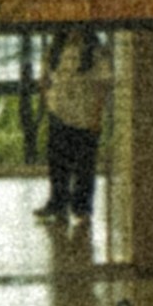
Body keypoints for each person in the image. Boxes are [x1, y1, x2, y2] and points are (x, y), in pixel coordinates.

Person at [38, 35, 106, 226]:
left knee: (84, 165)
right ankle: (58, 204)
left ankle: (82, 209)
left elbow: (102, 85)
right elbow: (44, 79)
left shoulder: (95, 51)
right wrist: (49, 102)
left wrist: (96, 115)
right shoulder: (54, 50)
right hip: (58, 112)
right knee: (58, 163)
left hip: (84, 114)